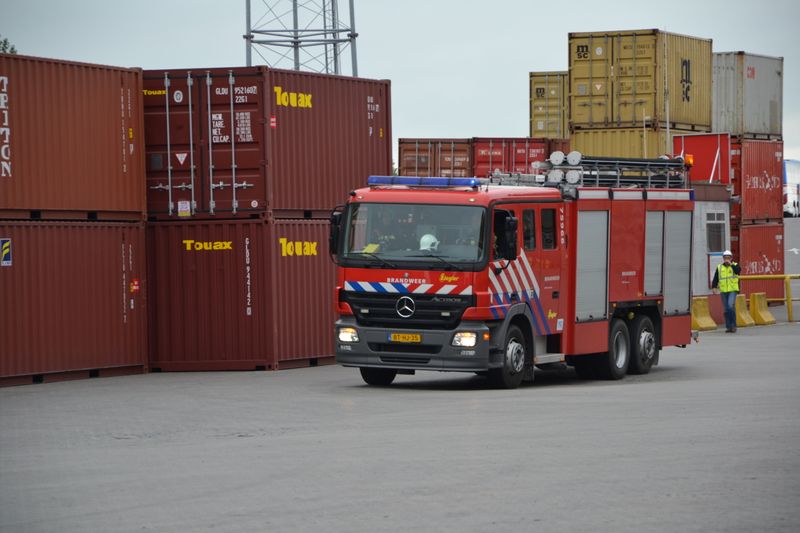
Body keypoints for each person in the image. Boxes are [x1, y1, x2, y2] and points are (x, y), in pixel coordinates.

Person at [712, 250, 741, 333]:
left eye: (728, 258)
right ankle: (729, 327)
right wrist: (714, 287)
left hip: (733, 290)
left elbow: (738, 271)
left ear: (731, 258)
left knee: (730, 306)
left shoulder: (735, 265)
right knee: (726, 309)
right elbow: (716, 278)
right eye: (725, 258)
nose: (727, 259)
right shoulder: (719, 267)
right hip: (724, 290)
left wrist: (731, 264)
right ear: (723, 258)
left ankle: (733, 326)